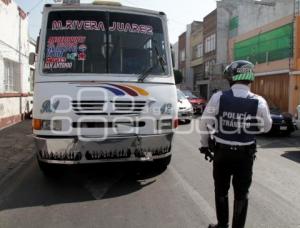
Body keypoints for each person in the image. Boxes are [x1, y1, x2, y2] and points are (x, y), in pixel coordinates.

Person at [199, 60, 272, 228]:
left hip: (222, 153)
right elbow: (266, 127)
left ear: (231, 77)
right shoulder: (259, 101)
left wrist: (204, 144)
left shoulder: (218, 97)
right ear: (249, 78)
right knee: (241, 194)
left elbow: (204, 124)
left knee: (221, 191)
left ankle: (222, 225)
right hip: (244, 155)